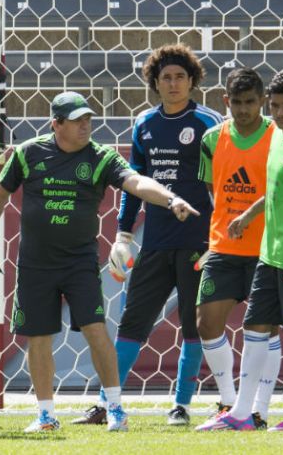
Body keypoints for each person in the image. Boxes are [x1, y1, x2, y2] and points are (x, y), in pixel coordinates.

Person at [0, 91, 199, 433]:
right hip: (35, 265)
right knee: (38, 337)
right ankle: (46, 415)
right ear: (56, 124)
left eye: (88, 120)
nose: (85, 126)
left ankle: (115, 409)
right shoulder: (28, 153)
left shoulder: (100, 156)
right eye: (77, 121)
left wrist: (170, 199)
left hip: (79, 264)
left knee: (96, 331)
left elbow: (135, 181)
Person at [74, 43, 223, 426]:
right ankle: (107, 404)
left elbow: (222, 186)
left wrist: (219, 239)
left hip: (198, 242)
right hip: (155, 241)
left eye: (180, 77)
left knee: (194, 326)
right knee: (132, 323)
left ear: (192, 81)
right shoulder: (144, 123)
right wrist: (123, 235)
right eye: (166, 77)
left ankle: (182, 406)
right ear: (155, 83)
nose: (173, 84)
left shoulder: (209, 122)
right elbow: (133, 183)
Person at [196, 70, 283, 431]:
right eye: (275, 106)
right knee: (254, 329)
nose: (280, 113)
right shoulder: (278, 138)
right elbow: (274, 191)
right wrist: (248, 215)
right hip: (268, 254)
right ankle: (242, 413)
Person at [193, 67, 280, 430]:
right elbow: (211, 189)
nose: (243, 110)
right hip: (224, 247)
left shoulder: (277, 137)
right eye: (237, 103)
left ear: (263, 101)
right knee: (206, 322)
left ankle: (259, 410)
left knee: (266, 331)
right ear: (225, 101)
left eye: (250, 102)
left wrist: (250, 215)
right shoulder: (212, 139)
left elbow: (282, 189)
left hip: (267, 249)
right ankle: (229, 402)